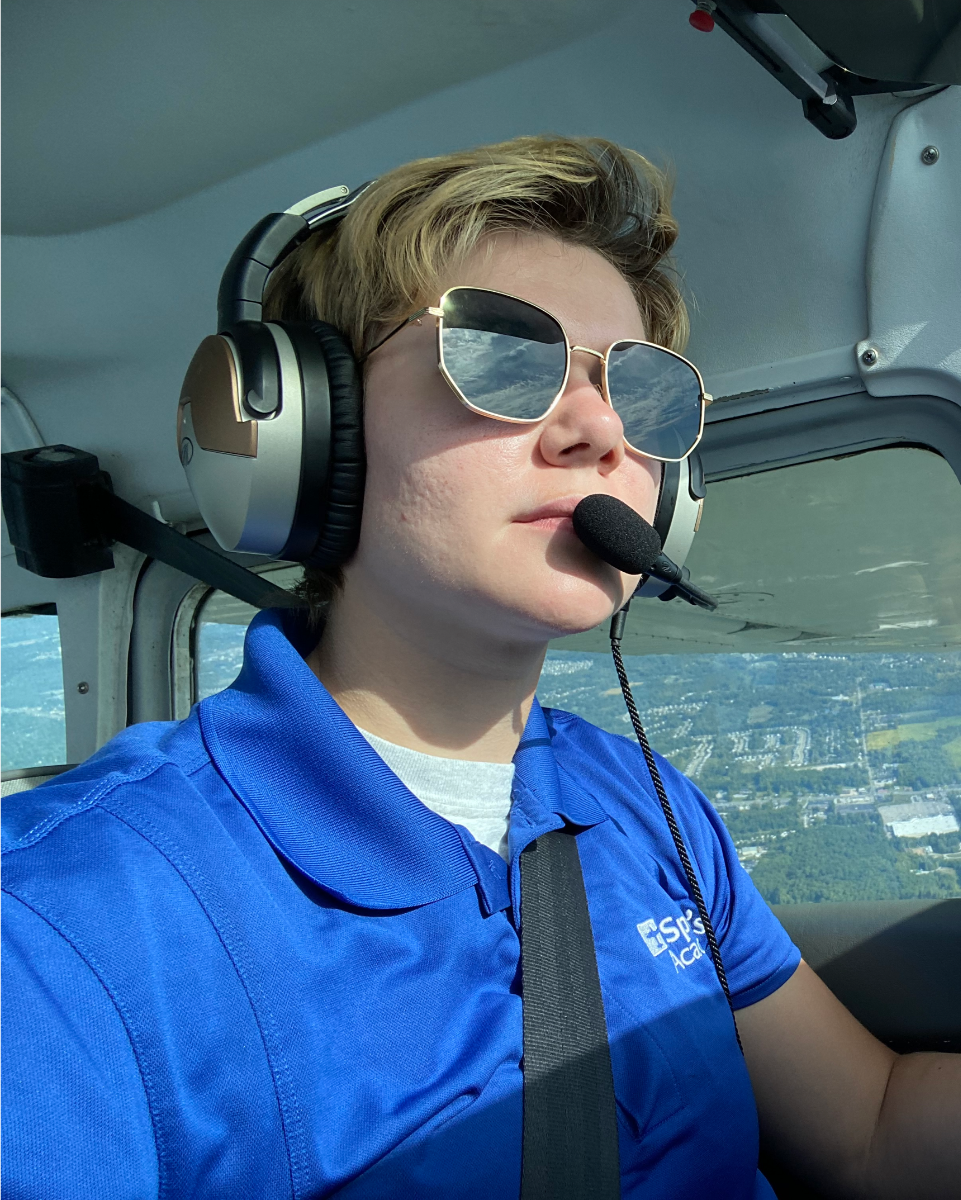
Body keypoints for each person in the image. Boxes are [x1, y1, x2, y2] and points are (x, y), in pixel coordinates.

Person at [1, 135, 959, 1200]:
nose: (599, 428)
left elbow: (869, 1125)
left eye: (641, 394)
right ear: (311, 433)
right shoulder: (60, 923)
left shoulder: (645, 803)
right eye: (503, 355)